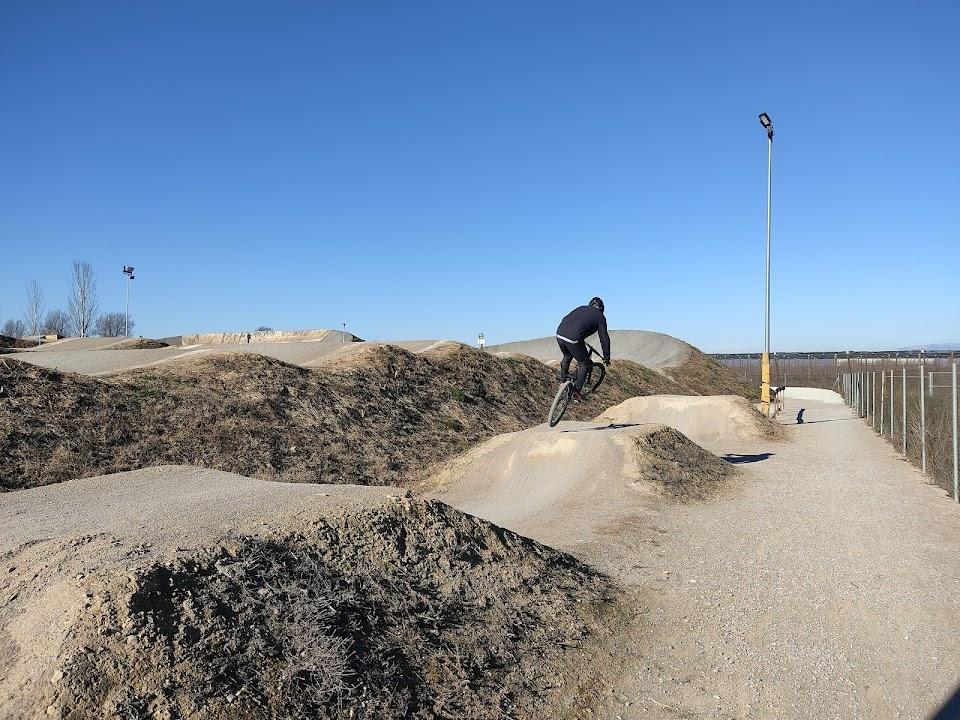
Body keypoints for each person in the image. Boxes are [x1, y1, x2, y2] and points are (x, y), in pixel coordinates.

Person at [556, 297, 611, 402]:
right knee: (584, 363)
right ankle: (576, 392)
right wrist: (606, 357)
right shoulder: (600, 317)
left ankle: (562, 381)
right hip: (574, 338)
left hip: (559, 333)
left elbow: (568, 319)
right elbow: (604, 338)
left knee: (567, 356)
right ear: (602, 308)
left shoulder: (581, 308)